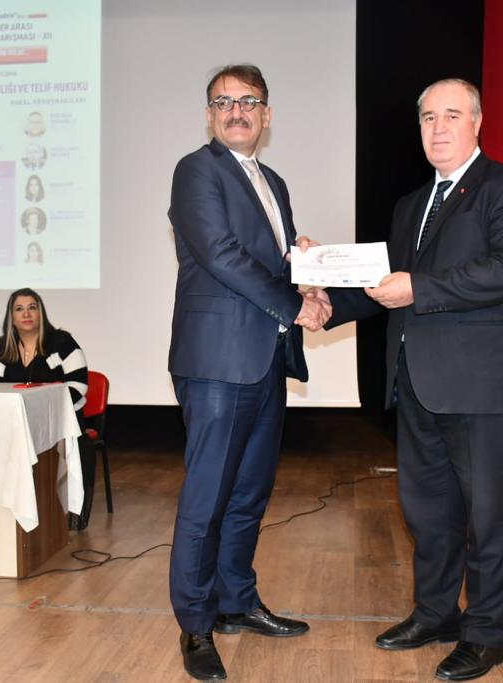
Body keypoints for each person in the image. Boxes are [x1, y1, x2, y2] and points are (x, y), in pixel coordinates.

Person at [321, 78, 503, 681]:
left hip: (485, 390)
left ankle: (487, 635)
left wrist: (418, 287)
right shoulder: (411, 204)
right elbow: (386, 285)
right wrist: (327, 302)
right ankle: (436, 614)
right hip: (418, 384)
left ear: (478, 122)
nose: (438, 128)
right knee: (429, 515)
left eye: (451, 115)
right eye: (427, 117)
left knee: (490, 519)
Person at [167, 64, 330, 681]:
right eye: (223, 101)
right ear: (210, 115)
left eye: (248, 101)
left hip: (265, 359)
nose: (236, 111)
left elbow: (269, 262)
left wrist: (306, 268)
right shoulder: (197, 170)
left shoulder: (273, 182)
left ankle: (236, 601)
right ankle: (195, 624)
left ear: (267, 114)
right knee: (207, 499)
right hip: (216, 362)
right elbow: (222, 254)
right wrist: (294, 302)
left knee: (248, 495)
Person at [0, 289, 95, 528]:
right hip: (15, 425)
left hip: (60, 424)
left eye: (32, 308)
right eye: (19, 309)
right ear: (11, 317)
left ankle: (61, 515)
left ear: (41, 312)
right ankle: (7, 513)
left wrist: (46, 411)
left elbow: (79, 386)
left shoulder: (62, 343)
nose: (26, 314)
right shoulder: (0, 349)